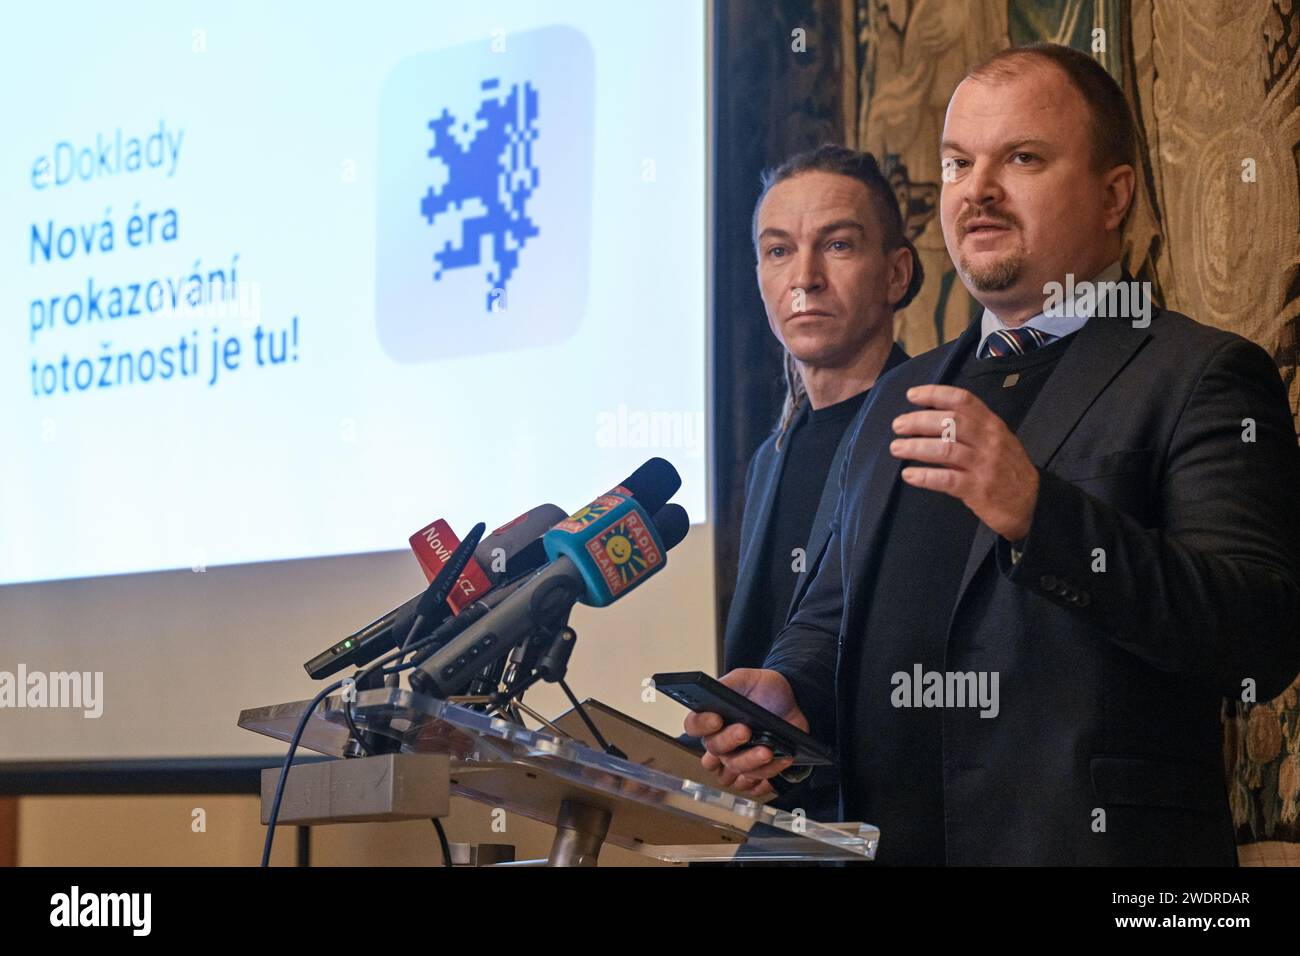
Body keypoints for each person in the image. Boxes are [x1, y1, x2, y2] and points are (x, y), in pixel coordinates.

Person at [686, 42, 1300, 865]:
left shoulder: (1199, 374)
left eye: (1022, 158)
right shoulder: (899, 400)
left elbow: (1255, 635)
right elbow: (829, 616)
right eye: (957, 164)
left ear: (1114, 194)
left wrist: (1040, 515)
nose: (977, 191)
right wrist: (784, 688)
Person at [693, 147, 919, 820]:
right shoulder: (770, 455)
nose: (805, 278)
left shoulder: (935, 424)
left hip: (898, 823)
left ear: (896, 273)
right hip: (783, 828)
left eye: (839, 245)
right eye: (778, 251)